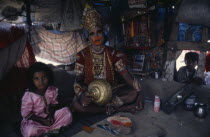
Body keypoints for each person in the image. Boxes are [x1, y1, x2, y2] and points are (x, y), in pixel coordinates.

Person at [72, 7, 143, 115]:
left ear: (103, 34)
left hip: (111, 93)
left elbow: (126, 76)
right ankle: (119, 109)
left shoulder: (113, 53)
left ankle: (105, 109)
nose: (96, 36)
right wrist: (82, 94)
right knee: (78, 105)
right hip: (91, 96)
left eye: (98, 32)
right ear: (89, 37)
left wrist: (139, 93)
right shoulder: (81, 55)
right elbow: (77, 81)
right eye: (92, 33)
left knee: (133, 94)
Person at [20, 62, 73, 137]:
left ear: (49, 77)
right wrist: (42, 121)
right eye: (36, 78)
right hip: (35, 121)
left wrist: (51, 116)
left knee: (66, 112)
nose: (41, 81)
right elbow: (26, 114)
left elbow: (53, 105)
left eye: (44, 77)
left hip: (49, 119)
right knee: (30, 130)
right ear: (31, 80)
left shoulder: (52, 90)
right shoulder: (28, 95)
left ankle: (48, 131)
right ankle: (53, 130)